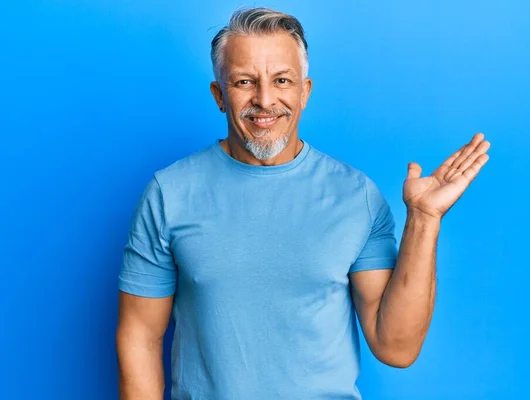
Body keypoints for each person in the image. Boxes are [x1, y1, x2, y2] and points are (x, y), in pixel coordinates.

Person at [115, 7, 491, 400]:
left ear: (304, 92)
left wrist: (424, 218)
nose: (265, 100)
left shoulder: (355, 196)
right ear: (219, 95)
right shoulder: (169, 193)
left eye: (282, 80)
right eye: (244, 81)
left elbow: (395, 346)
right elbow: (139, 337)